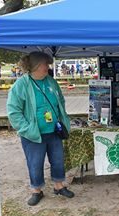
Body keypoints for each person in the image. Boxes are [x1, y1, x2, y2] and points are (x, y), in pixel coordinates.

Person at [6, 51, 74, 206]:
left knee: (58, 160)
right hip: (33, 134)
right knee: (35, 163)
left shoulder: (51, 81)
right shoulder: (21, 85)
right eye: (45, 64)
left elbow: (60, 101)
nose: (48, 67)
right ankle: (36, 190)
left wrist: (62, 119)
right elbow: (13, 111)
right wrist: (27, 129)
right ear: (36, 66)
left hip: (54, 131)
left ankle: (58, 186)